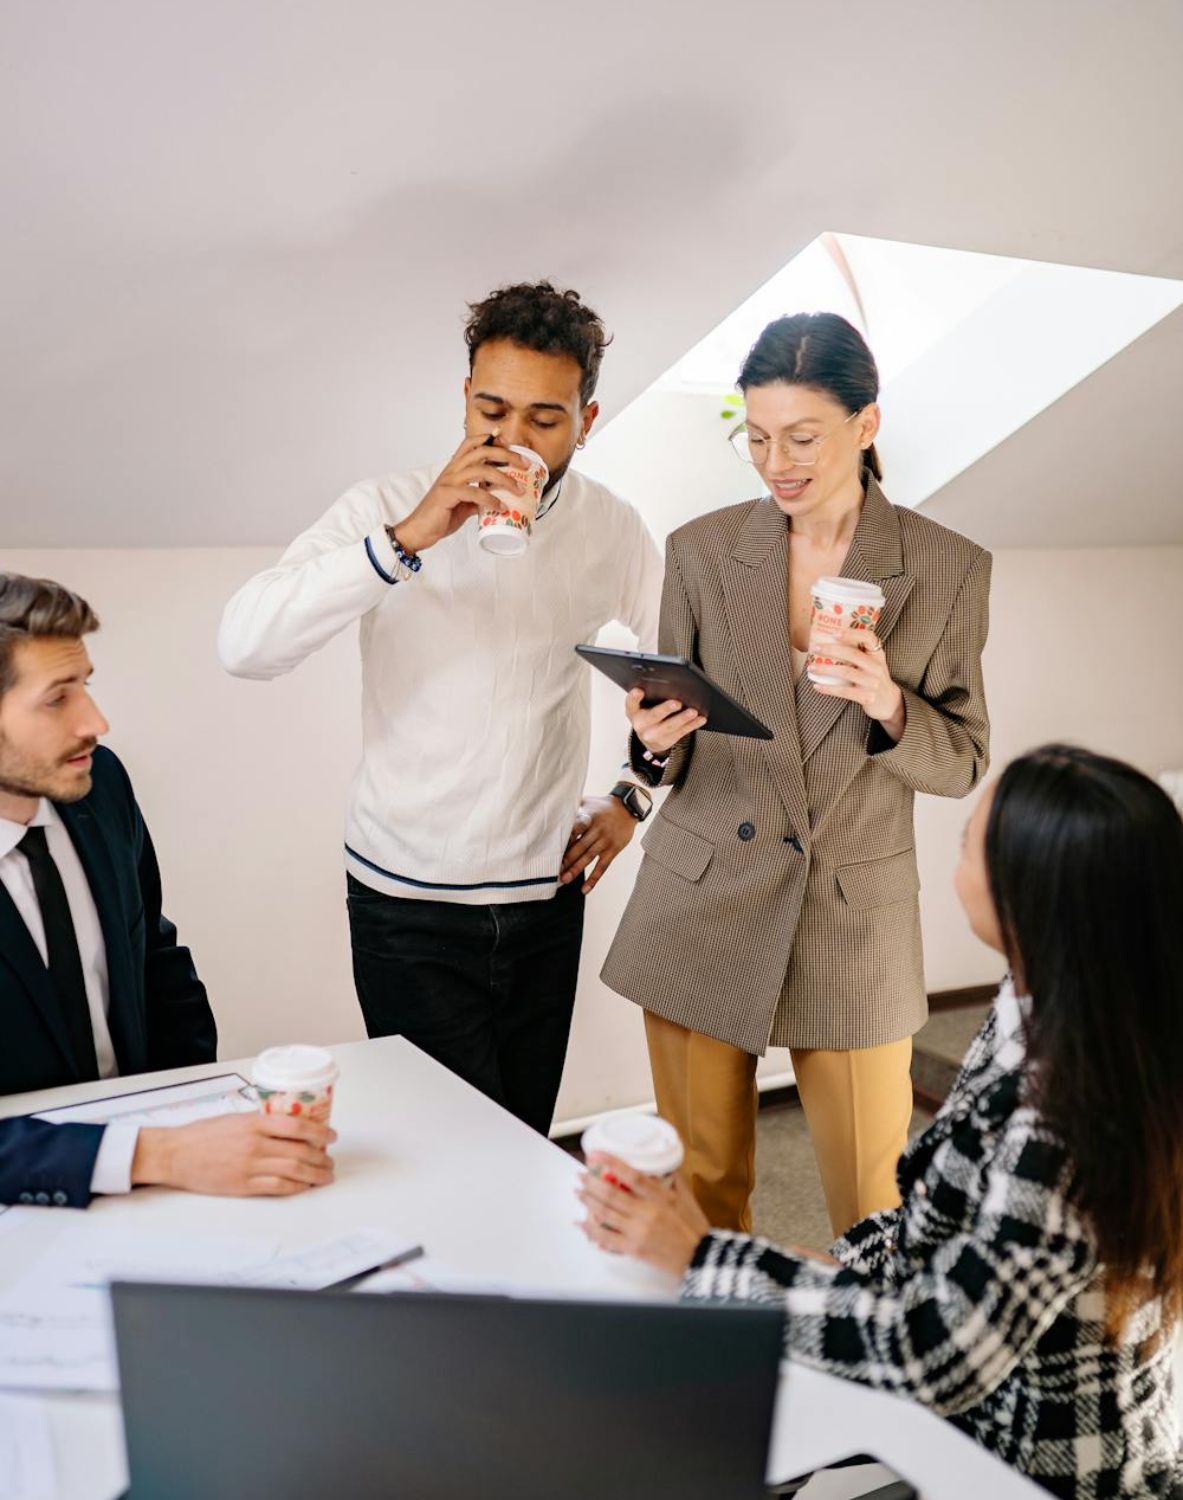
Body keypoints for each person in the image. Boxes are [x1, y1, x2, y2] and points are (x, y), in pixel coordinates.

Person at [580, 745, 1183, 1499]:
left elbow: (936, 1350)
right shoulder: (1054, 1005)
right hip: (975, 1413)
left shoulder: (1067, 1116)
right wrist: (824, 1266)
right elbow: (945, 1215)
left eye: (968, 841)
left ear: (1028, 898)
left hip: (1033, 1467)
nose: (956, 855)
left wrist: (704, 1259)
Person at [218, 281, 662, 1135]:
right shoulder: (384, 507)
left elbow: (688, 670)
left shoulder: (610, 526)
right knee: (443, 1151)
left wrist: (634, 795)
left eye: (544, 418)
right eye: (491, 410)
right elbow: (245, 645)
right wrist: (408, 539)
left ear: (588, 418)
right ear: (464, 396)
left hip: (545, 897)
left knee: (523, 1140)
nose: (511, 438)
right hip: (404, 902)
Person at [601, 312, 991, 1235]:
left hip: (851, 919)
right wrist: (652, 738)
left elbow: (966, 758)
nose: (776, 461)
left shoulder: (946, 569)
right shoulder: (700, 551)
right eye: (758, 436)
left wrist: (891, 704)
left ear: (866, 425)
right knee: (699, 1194)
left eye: (802, 437)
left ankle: (880, 1378)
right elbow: (674, 741)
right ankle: (711, 1374)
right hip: (703, 901)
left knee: (874, 1207)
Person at [0, 572, 335, 1204]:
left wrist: (199, 1111)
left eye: (87, 686)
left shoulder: (100, 785)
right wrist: (158, 1154)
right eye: (57, 699)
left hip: (163, 1174)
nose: (94, 722)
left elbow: (155, 956)